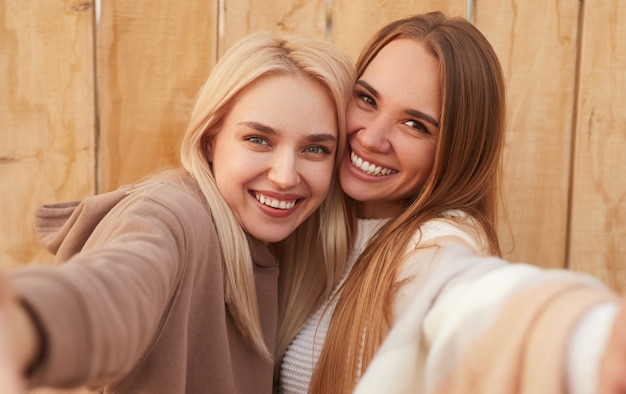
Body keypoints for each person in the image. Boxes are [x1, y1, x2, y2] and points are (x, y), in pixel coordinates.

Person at [279, 11, 625, 394]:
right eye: (367, 99)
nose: (371, 137)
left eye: (416, 125)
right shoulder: (313, 221)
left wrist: (590, 339)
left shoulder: (435, 242)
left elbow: (470, 296)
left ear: (455, 151)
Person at [0, 31, 354, 393]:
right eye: (258, 140)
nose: (284, 176)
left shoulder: (279, 250)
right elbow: (118, 286)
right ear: (211, 140)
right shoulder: (174, 214)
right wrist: (27, 326)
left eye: (315, 149)